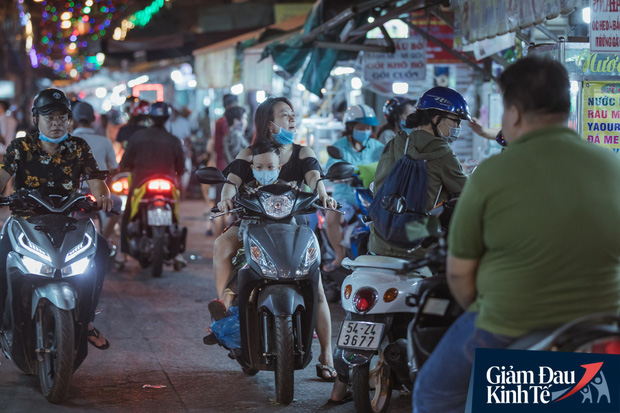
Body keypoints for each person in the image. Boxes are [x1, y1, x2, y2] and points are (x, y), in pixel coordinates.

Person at [412, 56, 620, 413]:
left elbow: (460, 273)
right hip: (602, 321)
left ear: (516, 113)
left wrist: (486, 307)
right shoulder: (611, 166)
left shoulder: (491, 175)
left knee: (431, 396)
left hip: (509, 323)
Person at [211, 96, 339, 381]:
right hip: (251, 224)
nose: (292, 118)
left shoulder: (300, 151)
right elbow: (231, 183)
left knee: (316, 289)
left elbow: (315, 176)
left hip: (292, 227)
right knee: (221, 245)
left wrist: (324, 194)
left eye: (293, 114)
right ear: (269, 124)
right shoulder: (249, 153)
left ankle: (327, 355)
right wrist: (225, 201)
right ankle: (225, 307)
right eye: (285, 115)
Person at [0, 88, 113, 350]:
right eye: (49, 117)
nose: (56, 123)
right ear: (35, 118)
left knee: (102, 252)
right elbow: (3, 177)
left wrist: (103, 197)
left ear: (69, 120)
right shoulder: (21, 147)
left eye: (62, 117)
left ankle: (85, 320)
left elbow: (97, 182)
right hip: (25, 222)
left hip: (69, 221)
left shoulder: (79, 147)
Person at [368, 87, 470, 259]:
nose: (458, 127)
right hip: (416, 246)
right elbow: (467, 191)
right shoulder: (443, 152)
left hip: (380, 240)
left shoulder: (395, 143)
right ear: (437, 119)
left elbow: (378, 187)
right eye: (456, 121)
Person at [116, 101, 186, 268]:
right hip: (168, 184)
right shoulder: (174, 140)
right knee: (175, 217)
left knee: (127, 214)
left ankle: (122, 253)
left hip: (141, 182)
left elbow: (125, 163)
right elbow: (181, 168)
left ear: (151, 118)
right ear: (167, 118)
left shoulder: (137, 137)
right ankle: (178, 256)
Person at [323, 104, 384, 272]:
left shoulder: (378, 147)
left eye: (367, 127)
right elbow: (331, 167)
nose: (364, 131)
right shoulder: (340, 146)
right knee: (332, 218)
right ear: (350, 127)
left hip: (371, 196)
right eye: (360, 127)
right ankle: (339, 255)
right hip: (346, 197)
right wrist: (339, 175)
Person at [71, 101, 122, 240]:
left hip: (75, 194)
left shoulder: (68, 141)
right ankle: (104, 239)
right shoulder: (104, 141)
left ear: (73, 119)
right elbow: (114, 167)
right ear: (93, 119)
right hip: (100, 193)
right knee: (117, 205)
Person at [213, 94, 239, 171]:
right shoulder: (223, 122)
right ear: (230, 106)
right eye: (236, 105)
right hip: (224, 161)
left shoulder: (222, 121)